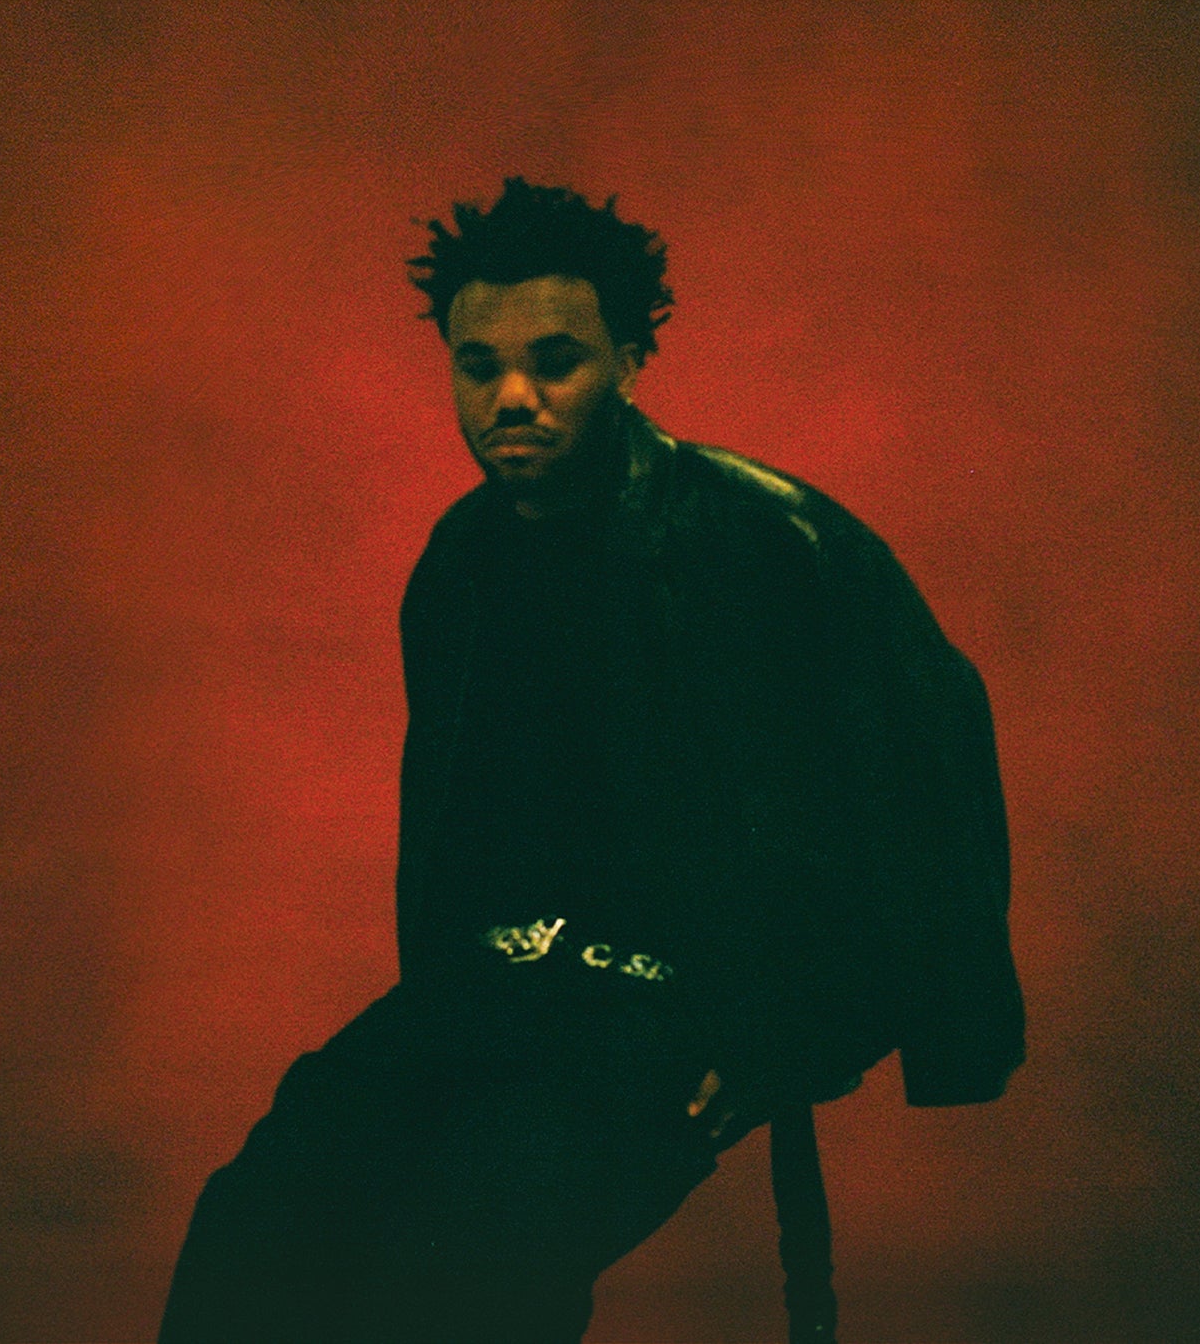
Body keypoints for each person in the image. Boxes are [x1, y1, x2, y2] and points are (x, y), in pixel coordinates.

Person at [158, 178, 1024, 1344]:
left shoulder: (767, 539)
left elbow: (925, 793)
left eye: (554, 360)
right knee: (257, 1215)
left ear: (627, 357)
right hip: (492, 990)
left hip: (679, 1008)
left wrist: (802, 1029)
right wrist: (443, 997)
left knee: (474, 1251)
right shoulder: (461, 561)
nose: (511, 396)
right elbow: (456, 832)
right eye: (478, 366)